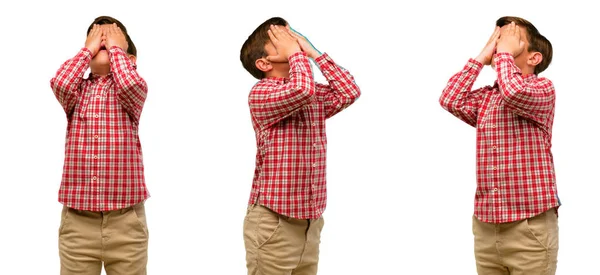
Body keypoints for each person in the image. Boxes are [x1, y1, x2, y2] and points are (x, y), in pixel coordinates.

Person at [240, 17, 361, 274]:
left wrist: (314, 53)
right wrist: (297, 55)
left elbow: (349, 91)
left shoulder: (310, 90)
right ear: (264, 63)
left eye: (292, 36)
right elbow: (301, 90)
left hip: (310, 223)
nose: (293, 41)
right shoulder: (262, 93)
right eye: (281, 40)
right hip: (274, 224)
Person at [439, 16, 559, 275]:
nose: (501, 43)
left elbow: (514, 92)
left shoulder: (542, 88)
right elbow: (449, 99)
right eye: (499, 38)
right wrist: (481, 57)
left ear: (533, 58)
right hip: (486, 229)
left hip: (529, 229)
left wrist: (503, 55)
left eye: (512, 39)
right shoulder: (487, 97)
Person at [50, 16, 149, 275]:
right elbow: (60, 82)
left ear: (130, 60)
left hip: (126, 223)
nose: (103, 46)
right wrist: (88, 49)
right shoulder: (77, 92)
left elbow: (130, 83)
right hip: (78, 224)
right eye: (97, 43)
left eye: (111, 44)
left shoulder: (131, 92)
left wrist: (115, 50)